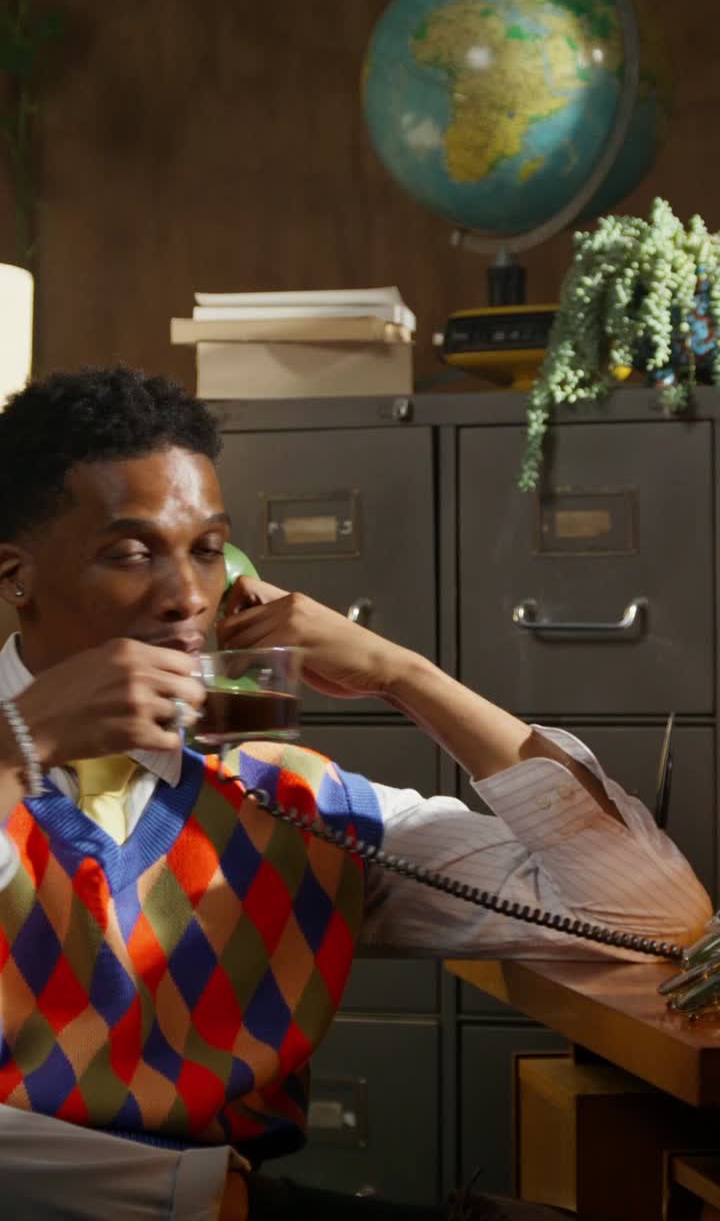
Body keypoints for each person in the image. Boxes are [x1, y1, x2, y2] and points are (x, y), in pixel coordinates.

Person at [0, 366, 709, 1221]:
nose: (187, 597)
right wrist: (20, 743)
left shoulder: (288, 798)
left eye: (208, 549)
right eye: (131, 553)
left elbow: (653, 920)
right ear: (15, 576)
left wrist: (402, 673)